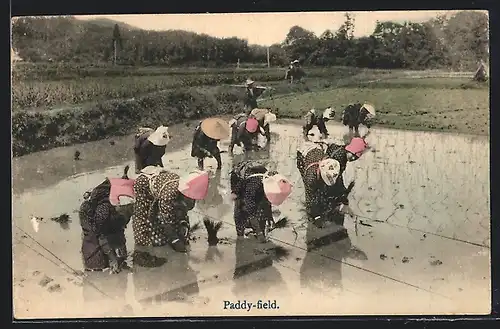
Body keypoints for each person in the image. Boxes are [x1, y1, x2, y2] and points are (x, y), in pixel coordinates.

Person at [132, 167, 209, 252]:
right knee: (146, 220)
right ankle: (144, 239)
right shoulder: (168, 194)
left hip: (163, 188)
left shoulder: (189, 195)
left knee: (176, 220)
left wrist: (183, 226)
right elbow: (165, 220)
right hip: (144, 187)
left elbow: (183, 212)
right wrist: (175, 240)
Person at [79, 166, 135, 274]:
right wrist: (113, 258)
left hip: (107, 223)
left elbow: (119, 228)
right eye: (125, 210)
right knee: (96, 261)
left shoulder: (123, 200)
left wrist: (121, 253)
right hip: (95, 229)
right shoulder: (103, 209)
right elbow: (101, 235)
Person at [229, 160, 292, 243]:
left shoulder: (271, 182)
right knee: (241, 208)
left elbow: (267, 202)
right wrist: (259, 233)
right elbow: (250, 210)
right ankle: (240, 235)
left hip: (254, 177)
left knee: (261, 209)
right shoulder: (253, 187)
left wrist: (270, 218)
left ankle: (257, 229)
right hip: (239, 178)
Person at [296, 143, 354, 226]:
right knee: (312, 193)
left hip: (318, 152)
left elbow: (339, 183)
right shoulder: (311, 178)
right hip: (304, 155)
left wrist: (344, 201)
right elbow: (311, 196)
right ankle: (312, 216)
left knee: (324, 191)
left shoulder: (331, 165)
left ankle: (324, 205)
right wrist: (316, 216)